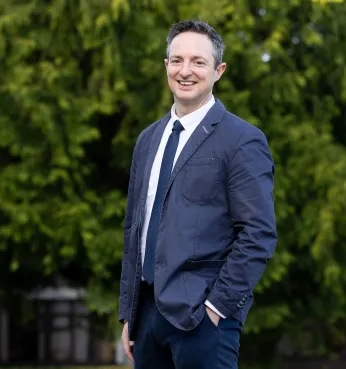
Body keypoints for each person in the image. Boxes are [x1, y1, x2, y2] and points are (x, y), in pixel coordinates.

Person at [119, 20, 277, 369]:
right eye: (176, 60)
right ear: (166, 66)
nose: (185, 71)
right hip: (146, 319)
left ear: (218, 70)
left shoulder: (241, 140)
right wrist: (129, 313)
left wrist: (216, 309)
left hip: (204, 320)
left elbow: (258, 233)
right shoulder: (147, 140)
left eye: (198, 62)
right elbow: (135, 230)